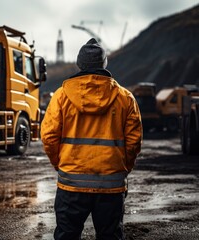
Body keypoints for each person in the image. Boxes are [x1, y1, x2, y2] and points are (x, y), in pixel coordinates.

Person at [40, 38, 142, 240]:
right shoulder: (125, 98)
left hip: (71, 184)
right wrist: (123, 168)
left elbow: (49, 136)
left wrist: (60, 165)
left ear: (80, 64)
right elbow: (134, 143)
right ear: (104, 64)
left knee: (67, 236)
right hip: (112, 185)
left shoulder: (61, 96)